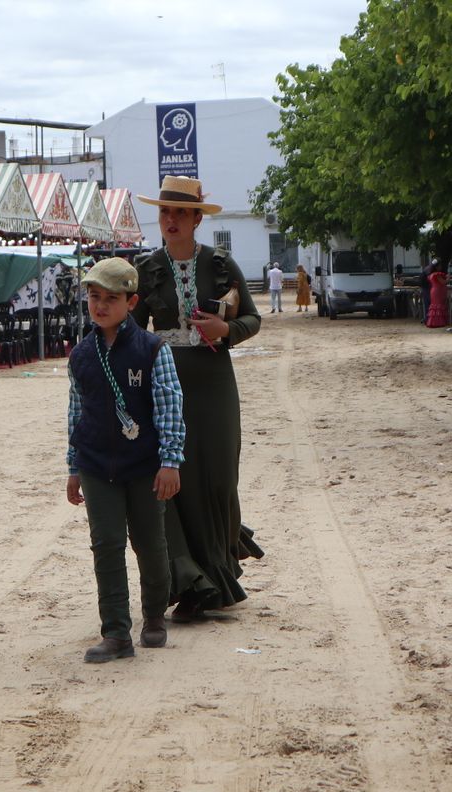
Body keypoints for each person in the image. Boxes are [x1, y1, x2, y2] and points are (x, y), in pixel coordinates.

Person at [132, 175, 262, 620]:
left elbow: (252, 319)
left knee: (219, 477)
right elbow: (134, 332)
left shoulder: (221, 264)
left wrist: (225, 330)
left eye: (180, 213)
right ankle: (190, 585)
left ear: (196, 219)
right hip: (165, 383)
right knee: (174, 478)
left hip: (214, 383)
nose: (170, 220)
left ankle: (218, 573)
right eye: (165, 212)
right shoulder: (147, 269)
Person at [65, 257, 185, 662]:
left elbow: (170, 408)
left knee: (150, 543)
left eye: (110, 298)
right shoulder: (81, 354)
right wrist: (73, 467)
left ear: (131, 302)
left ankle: (153, 616)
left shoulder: (153, 350)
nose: (99, 306)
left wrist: (170, 461)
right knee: (106, 545)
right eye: (93, 297)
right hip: (96, 465)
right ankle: (116, 632)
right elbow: (75, 413)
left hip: (144, 465)